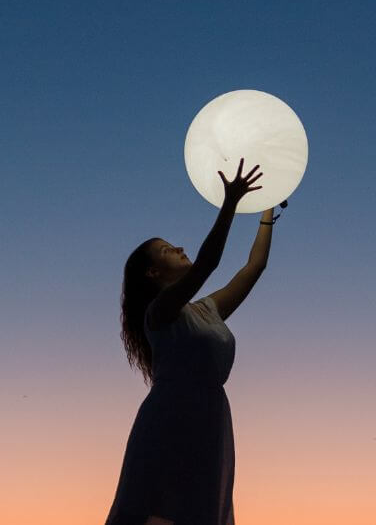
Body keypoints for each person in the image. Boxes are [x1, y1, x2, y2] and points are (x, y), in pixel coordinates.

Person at [106, 158, 277, 525]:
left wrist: (267, 211)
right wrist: (230, 203)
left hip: (211, 418)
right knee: (161, 511)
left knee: (200, 509)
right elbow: (207, 264)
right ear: (154, 273)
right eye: (168, 250)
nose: (179, 247)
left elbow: (253, 268)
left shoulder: (206, 310)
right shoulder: (159, 312)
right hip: (171, 418)